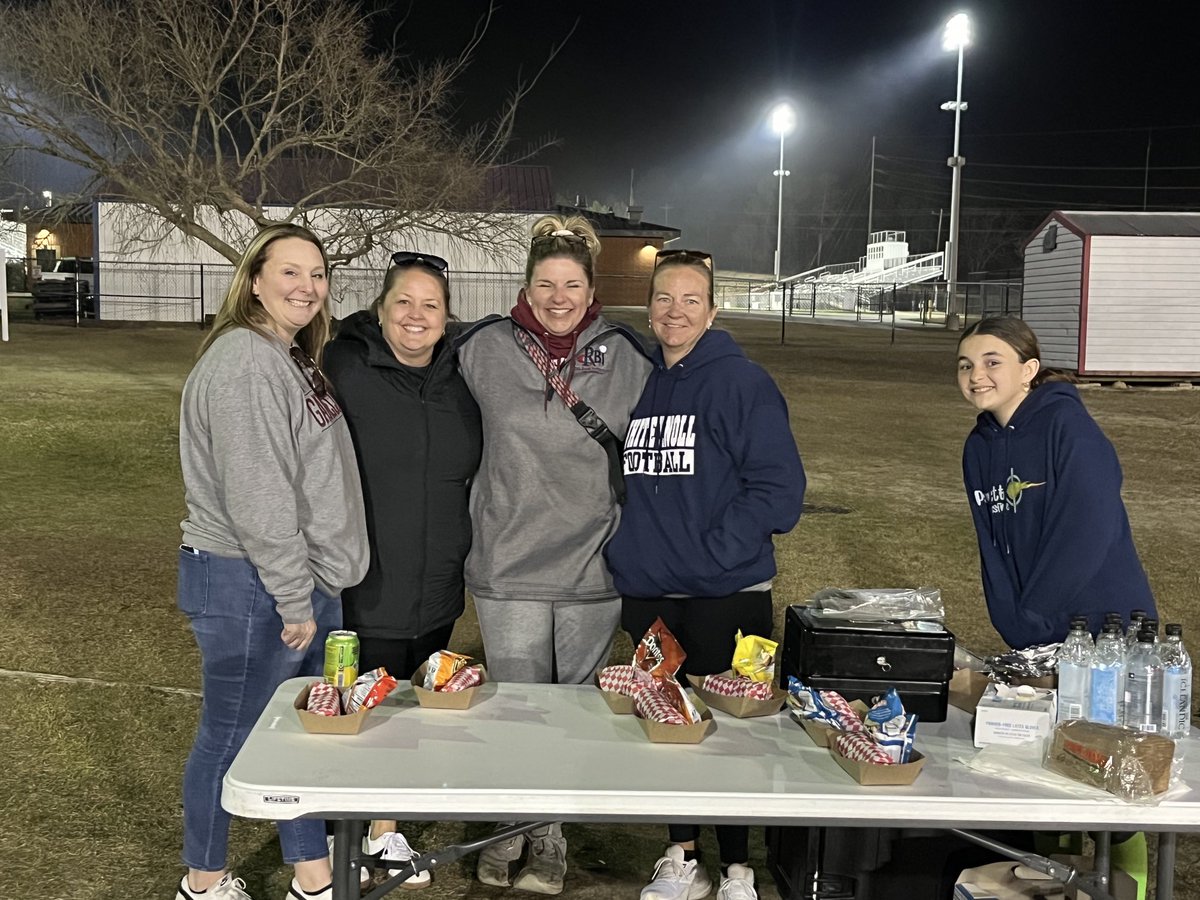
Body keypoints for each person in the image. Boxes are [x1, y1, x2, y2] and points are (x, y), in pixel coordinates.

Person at [455, 214, 653, 894]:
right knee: (515, 707)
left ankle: (548, 841)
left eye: (571, 284)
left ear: (592, 288)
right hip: (507, 564)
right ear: (526, 284)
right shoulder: (481, 347)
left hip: (592, 567)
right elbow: (410, 369)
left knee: (572, 712)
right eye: (545, 283)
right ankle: (511, 830)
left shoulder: (629, 353)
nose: (557, 297)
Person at [604, 249, 806, 900]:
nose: (675, 311)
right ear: (648, 306)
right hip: (650, 592)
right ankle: (682, 855)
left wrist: (715, 549)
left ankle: (740, 867)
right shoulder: (642, 383)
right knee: (672, 724)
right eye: (664, 298)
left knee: (736, 729)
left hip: (728, 591)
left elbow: (779, 489)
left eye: (691, 299)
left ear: (712, 310)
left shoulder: (742, 382)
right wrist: (631, 551)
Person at [176, 224, 369, 900]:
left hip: (296, 578)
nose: (307, 288)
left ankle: (311, 875)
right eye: (290, 272)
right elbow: (258, 495)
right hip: (250, 582)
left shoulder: (287, 356)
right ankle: (202, 881)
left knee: (299, 737)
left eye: (316, 275)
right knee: (231, 737)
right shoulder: (245, 361)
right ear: (254, 279)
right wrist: (293, 597)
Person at [323, 251, 482, 889]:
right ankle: (339, 841)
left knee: (414, 709)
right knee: (361, 714)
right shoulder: (341, 365)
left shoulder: (464, 374)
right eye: (403, 303)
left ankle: (385, 836)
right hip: (370, 581)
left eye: (431, 305)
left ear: (447, 317)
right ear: (380, 308)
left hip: (439, 585)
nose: (416, 316)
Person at [956, 316, 1157, 650]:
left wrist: (1034, 613)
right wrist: (1010, 617)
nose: (976, 375)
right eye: (965, 366)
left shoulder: (1068, 426)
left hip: (1102, 625)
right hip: (1034, 629)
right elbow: (990, 545)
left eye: (992, 362)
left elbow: (1091, 530)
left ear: (1028, 369)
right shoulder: (978, 447)